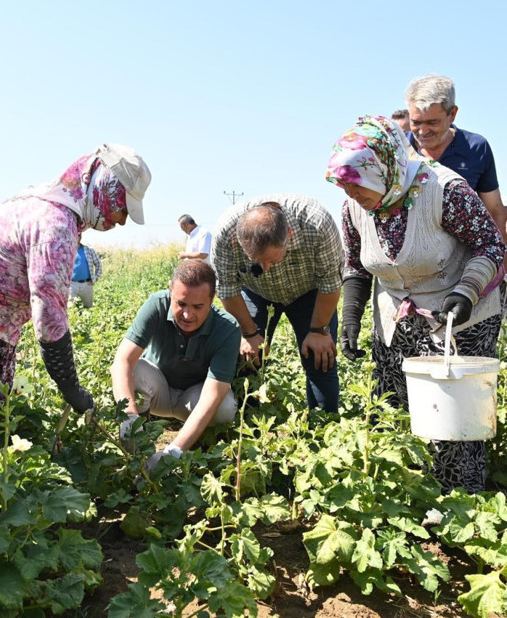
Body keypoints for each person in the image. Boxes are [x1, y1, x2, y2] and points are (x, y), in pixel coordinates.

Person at [0, 143, 151, 466]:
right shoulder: (56, 224)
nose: (121, 221)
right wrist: (71, 387)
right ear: (104, 188)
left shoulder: (41, 199)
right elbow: (49, 315)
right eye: (122, 207)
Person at [326, 114, 504, 493]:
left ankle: (460, 508)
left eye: (357, 185)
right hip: (398, 317)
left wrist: (466, 292)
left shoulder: (444, 189)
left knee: (452, 423)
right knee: (392, 411)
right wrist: (351, 319)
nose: (351, 195)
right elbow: (356, 265)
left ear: (384, 168)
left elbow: (491, 245)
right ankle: (407, 499)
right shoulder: (354, 206)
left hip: (460, 315)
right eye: (345, 188)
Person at [210, 195, 342, 412]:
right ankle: (247, 426)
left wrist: (318, 330)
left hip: (309, 291)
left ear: (288, 234)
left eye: (272, 259)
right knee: (247, 359)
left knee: (321, 360)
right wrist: (249, 335)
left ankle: (322, 427)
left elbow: (330, 283)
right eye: (257, 261)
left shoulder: (317, 223)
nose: (266, 268)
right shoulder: (226, 232)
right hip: (255, 291)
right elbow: (227, 289)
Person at [111, 260, 239, 473]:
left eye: (198, 307)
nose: (188, 315)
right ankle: (139, 443)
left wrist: (173, 452)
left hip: (193, 399)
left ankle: (200, 448)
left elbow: (212, 397)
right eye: (180, 304)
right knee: (132, 370)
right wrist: (129, 417)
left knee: (225, 407)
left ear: (212, 298)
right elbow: (122, 360)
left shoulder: (227, 328)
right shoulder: (156, 304)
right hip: (158, 390)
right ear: (170, 290)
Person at [405, 74, 507, 245]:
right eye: (416, 122)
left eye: (432, 122)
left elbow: (494, 210)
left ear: (452, 114)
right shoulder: (397, 149)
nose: (422, 131)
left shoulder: (476, 147)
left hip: (463, 262)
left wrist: (499, 262)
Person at [69, 243, 102, 308]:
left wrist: (95, 278)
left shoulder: (89, 250)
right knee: (70, 308)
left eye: (79, 235)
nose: (77, 237)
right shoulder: (67, 250)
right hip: (71, 284)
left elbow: (98, 264)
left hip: (87, 284)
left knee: (88, 307)